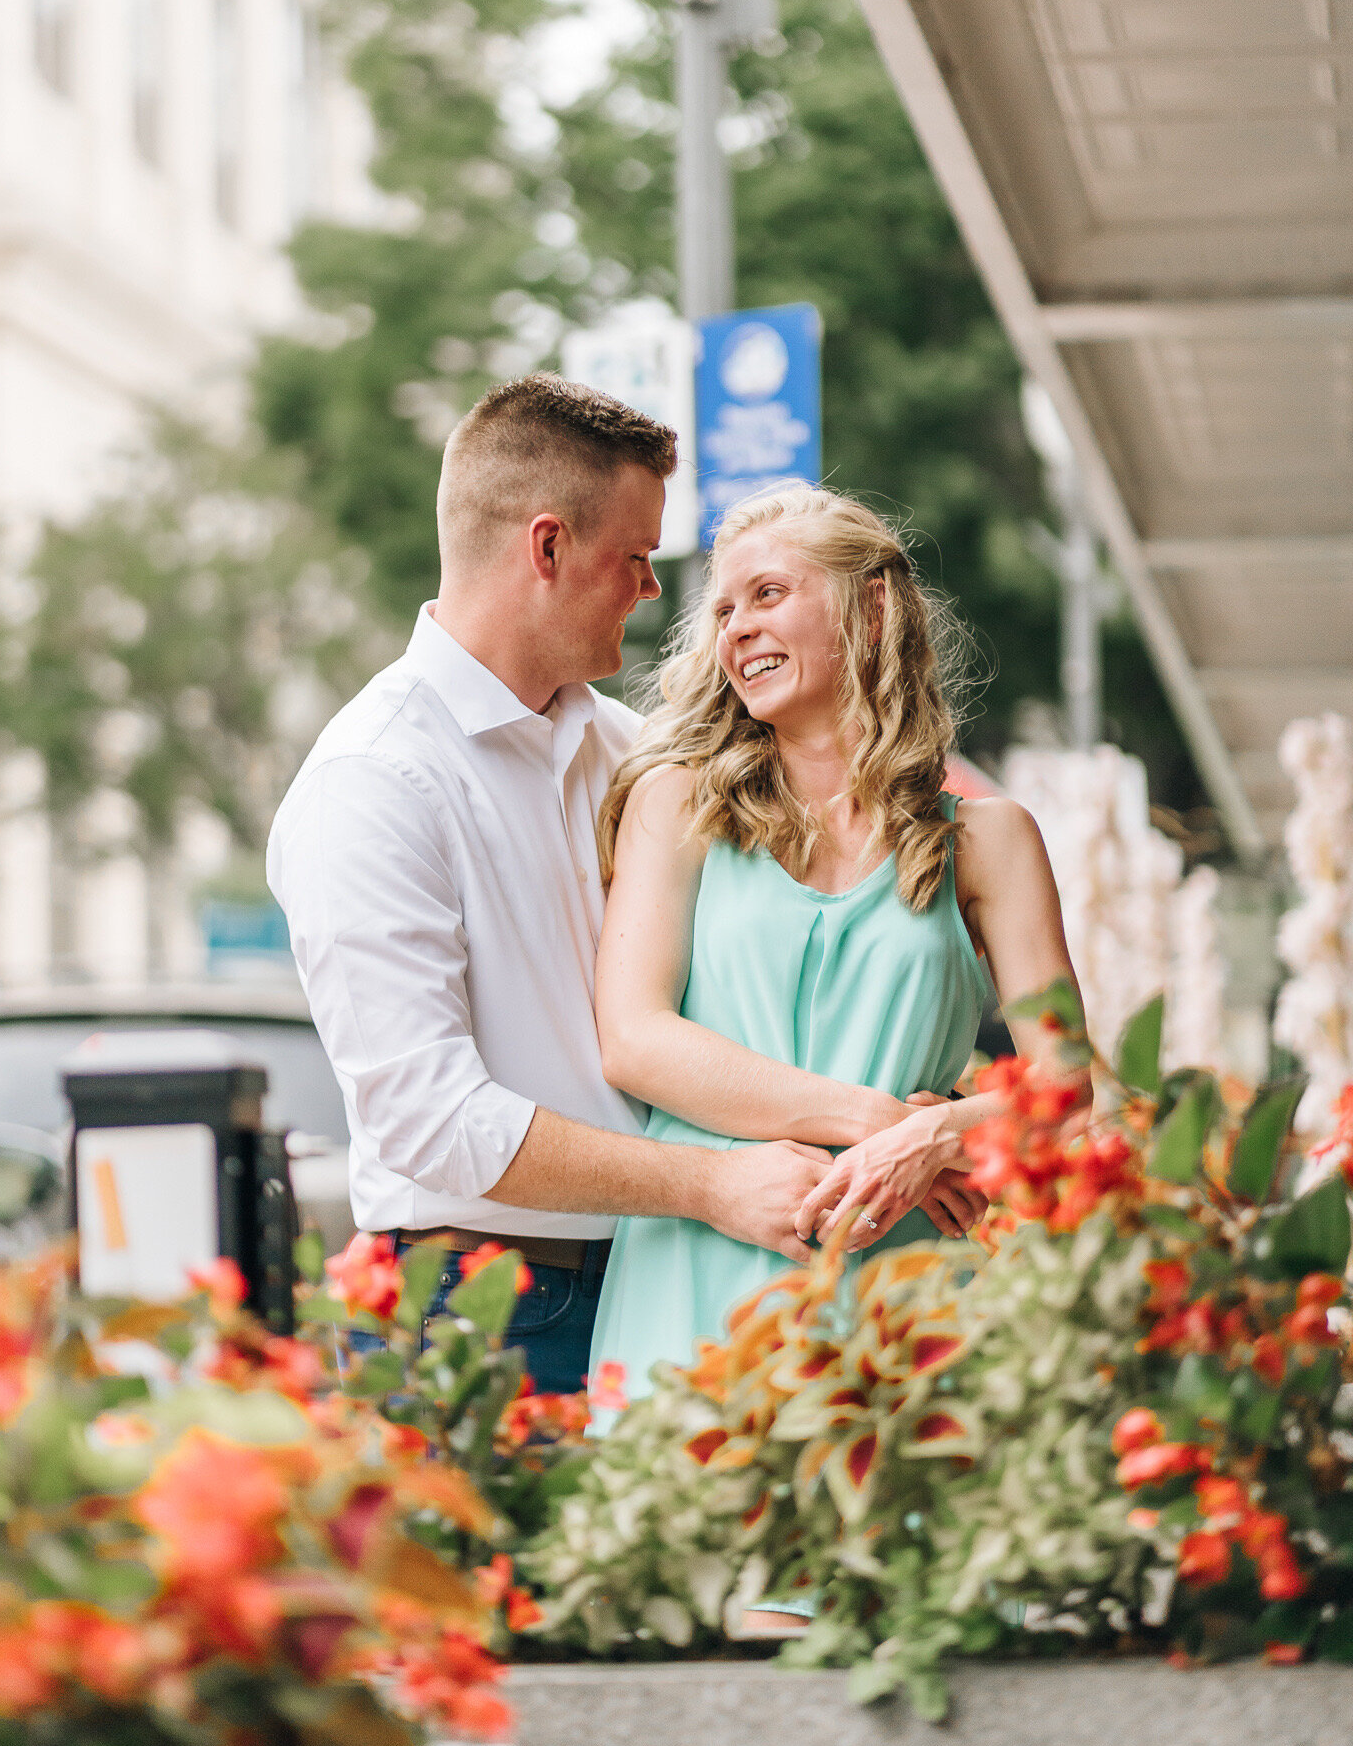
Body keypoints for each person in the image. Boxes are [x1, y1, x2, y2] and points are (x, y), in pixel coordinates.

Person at [266, 375, 841, 1394]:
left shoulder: (629, 753)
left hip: (662, 1277)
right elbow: (432, 1123)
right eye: (634, 559)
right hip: (481, 1319)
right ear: (546, 549)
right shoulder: (372, 782)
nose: (652, 592)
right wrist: (711, 1185)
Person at [587, 482, 1086, 1405]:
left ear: (872, 606)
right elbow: (636, 1038)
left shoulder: (990, 841)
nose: (735, 629)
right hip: (701, 1278)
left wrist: (937, 1134)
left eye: (769, 594)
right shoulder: (677, 803)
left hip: (906, 1301)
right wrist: (879, 1125)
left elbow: (1067, 1090)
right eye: (723, 611)